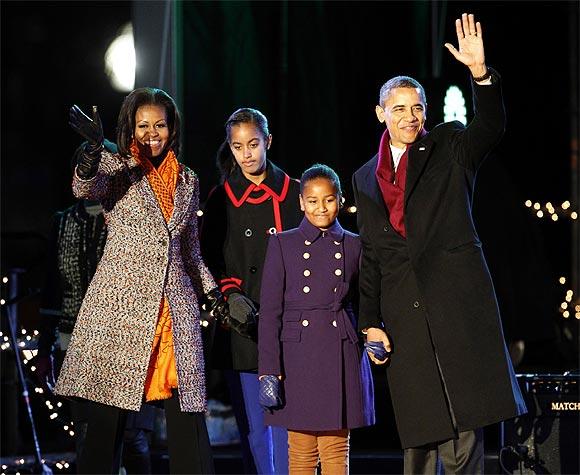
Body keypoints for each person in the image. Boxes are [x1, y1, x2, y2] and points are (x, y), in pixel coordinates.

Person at [351, 13, 527, 474]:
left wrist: (480, 74)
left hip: (456, 303)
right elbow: (371, 253)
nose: (411, 118)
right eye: (400, 109)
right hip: (405, 312)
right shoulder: (364, 177)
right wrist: (370, 320)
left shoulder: (449, 146)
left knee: (464, 424)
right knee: (421, 431)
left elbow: (490, 127)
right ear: (380, 113)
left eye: (418, 108)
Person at [55, 87, 228, 474]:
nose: (152, 133)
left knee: (189, 424)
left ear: (173, 128)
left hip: (174, 312)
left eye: (160, 125)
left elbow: (190, 251)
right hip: (121, 311)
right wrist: (91, 155)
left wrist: (215, 293)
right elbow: (84, 188)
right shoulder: (117, 168)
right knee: (105, 430)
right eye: (143, 125)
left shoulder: (188, 179)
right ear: (130, 128)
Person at [36, 140, 157, 474]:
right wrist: (45, 350)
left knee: (133, 435)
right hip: (74, 339)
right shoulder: (62, 222)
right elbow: (52, 288)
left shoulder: (127, 218)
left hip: (125, 340)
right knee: (89, 433)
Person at [200, 107, 302, 474]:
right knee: (256, 433)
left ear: (268, 142)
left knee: (294, 426)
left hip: (292, 326)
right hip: (243, 331)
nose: (247, 154)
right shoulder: (221, 198)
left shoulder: (296, 193)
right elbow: (207, 259)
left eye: (254, 144)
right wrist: (230, 295)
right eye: (238, 146)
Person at [258, 164, 375, 474]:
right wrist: (269, 369)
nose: (321, 207)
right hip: (297, 355)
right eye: (312, 200)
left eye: (328, 199)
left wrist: (374, 333)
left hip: (340, 348)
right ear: (301, 202)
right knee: (301, 450)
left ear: (340, 199)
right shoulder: (283, 243)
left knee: (337, 448)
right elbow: (270, 313)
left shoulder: (354, 244)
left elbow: (368, 300)